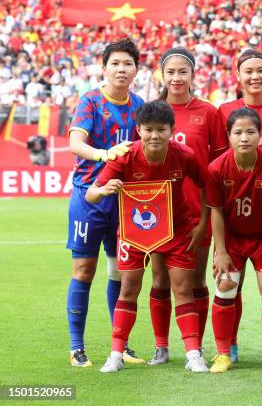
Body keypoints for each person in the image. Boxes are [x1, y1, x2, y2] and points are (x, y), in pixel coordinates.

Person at [86, 100, 208, 373]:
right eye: (149, 129)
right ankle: (116, 353)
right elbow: (90, 194)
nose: (154, 135)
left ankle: (193, 353)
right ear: (138, 130)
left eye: (161, 129)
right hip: (133, 234)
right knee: (128, 288)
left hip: (177, 232)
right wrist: (106, 189)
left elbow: (207, 188)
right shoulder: (125, 156)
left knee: (183, 290)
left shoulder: (184, 155)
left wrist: (202, 226)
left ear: (171, 130)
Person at [65, 38, 144, 367]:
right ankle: (76, 346)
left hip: (122, 200)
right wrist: (103, 154)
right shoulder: (90, 102)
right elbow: (74, 142)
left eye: (127, 63)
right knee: (84, 270)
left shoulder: (139, 105)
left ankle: (120, 346)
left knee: (119, 273)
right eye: (115, 63)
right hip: (88, 196)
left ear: (136, 69)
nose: (121, 69)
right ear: (104, 67)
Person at [148, 47, 228, 366]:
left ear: (193, 75)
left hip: (197, 213)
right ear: (163, 75)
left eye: (183, 71)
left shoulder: (209, 113)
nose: (177, 78)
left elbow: (219, 166)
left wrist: (210, 214)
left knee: (195, 281)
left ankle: (196, 346)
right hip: (155, 214)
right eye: (171, 72)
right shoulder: (152, 111)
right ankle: (161, 346)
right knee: (159, 279)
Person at [217, 49, 262, 362]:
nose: (255, 76)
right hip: (234, 212)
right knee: (230, 282)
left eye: (261, 70)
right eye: (248, 71)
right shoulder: (225, 110)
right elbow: (220, 161)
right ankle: (228, 347)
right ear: (239, 76)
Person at [206, 108, 262, 374]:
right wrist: (220, 251)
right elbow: (215, 212)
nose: (244, 138)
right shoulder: (216, 169)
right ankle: (222, 354)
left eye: (250, 132)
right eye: (238, 132)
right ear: (228, 136)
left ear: (260, 136)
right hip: (232, 239)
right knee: (225, 286)